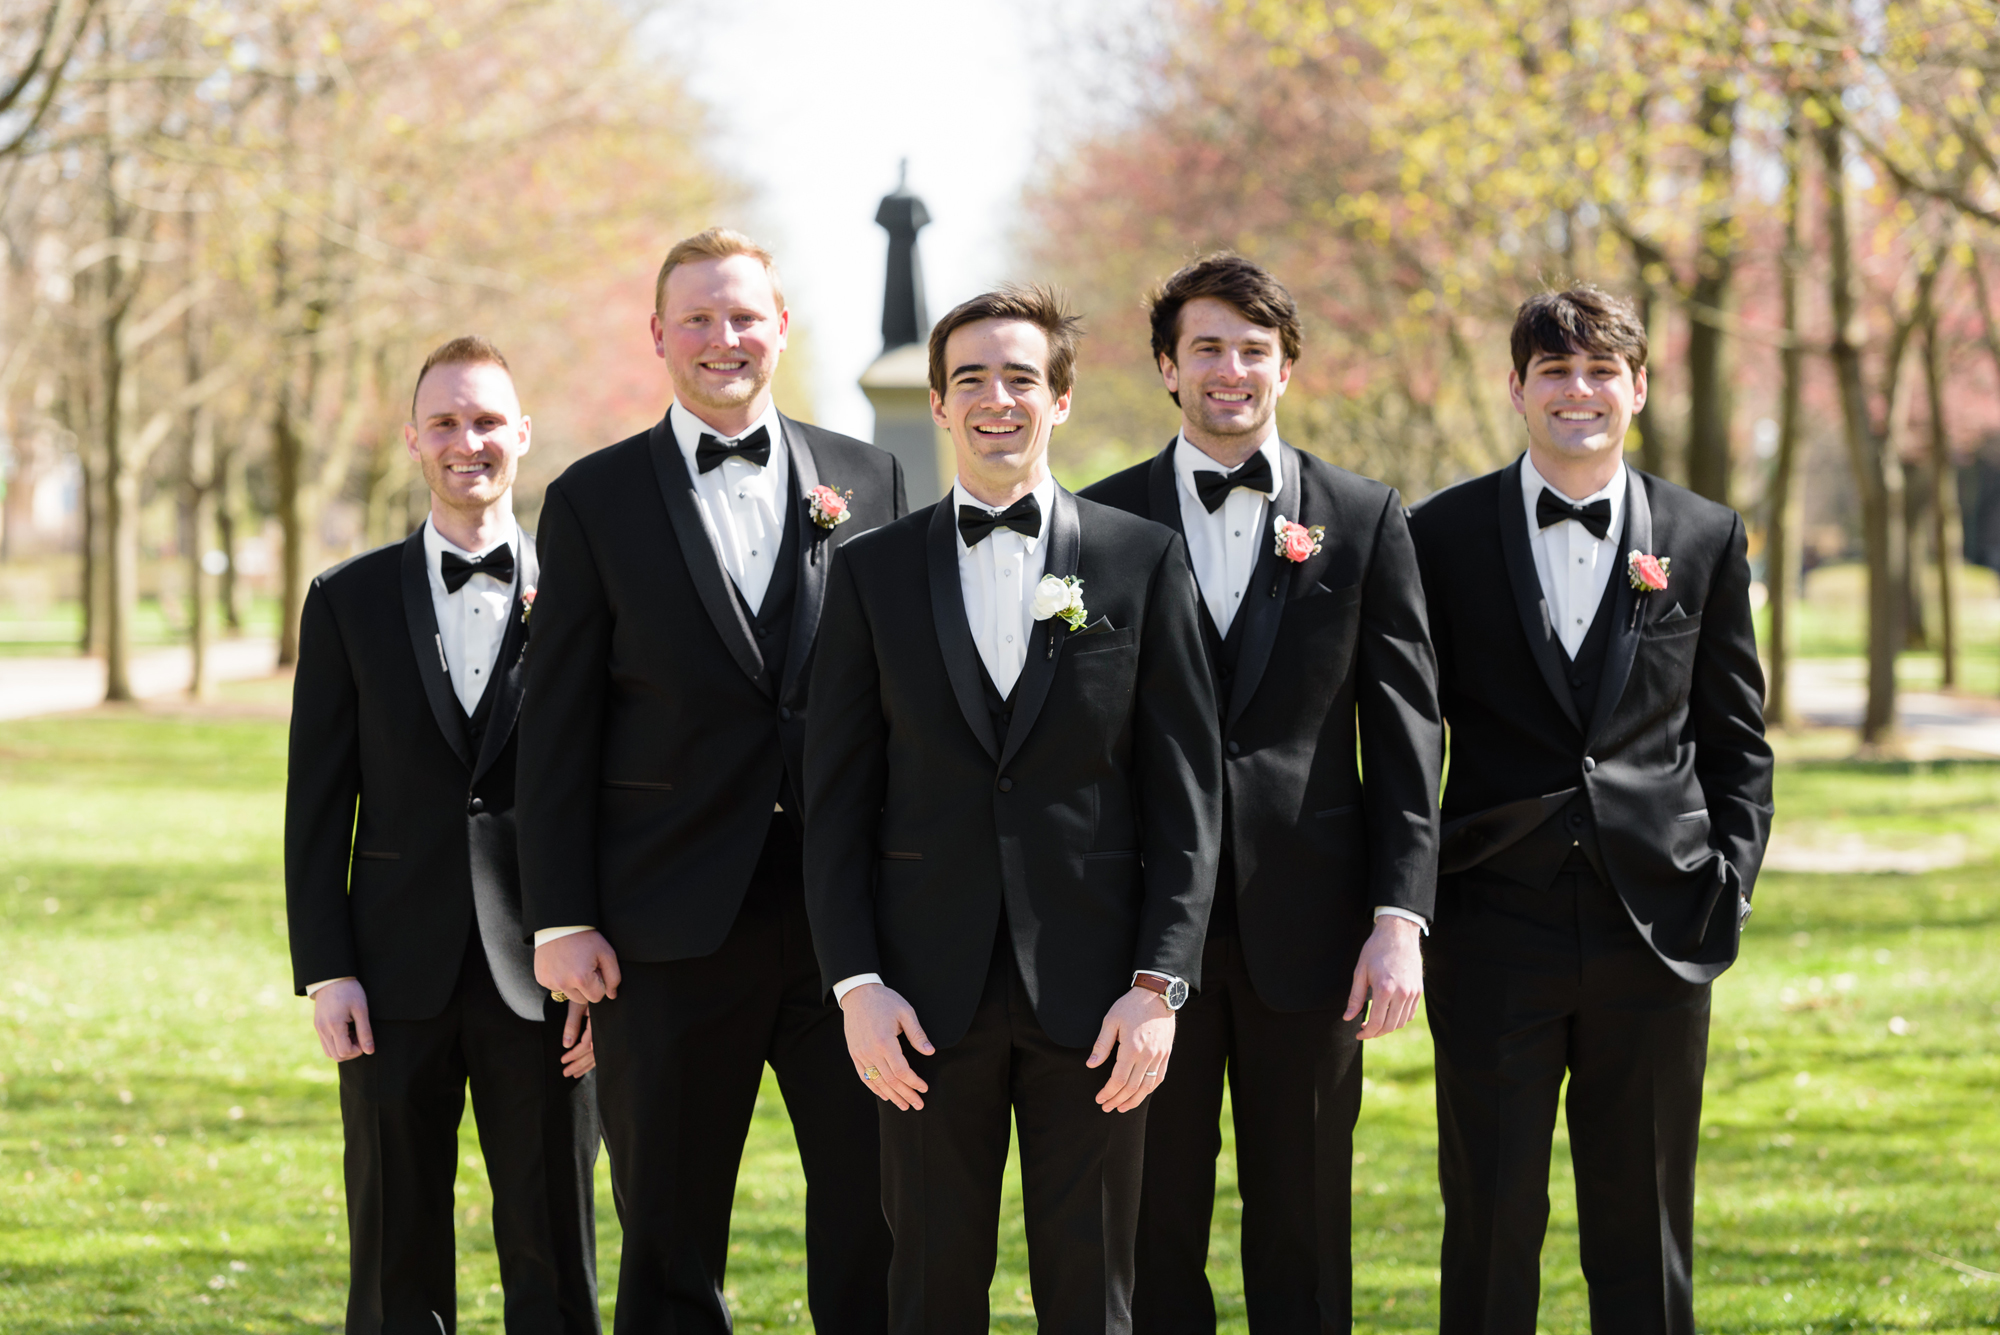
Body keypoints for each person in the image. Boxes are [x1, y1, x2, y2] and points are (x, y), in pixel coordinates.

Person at [803, 286, 1223, 1335]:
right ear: (940, 407)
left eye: (1021, 378)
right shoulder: (868, 574)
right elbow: (835, 800)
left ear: (1062, 399)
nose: (997, 399)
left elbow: (1185, 797)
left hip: (1097, 1003)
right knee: (931, 1292)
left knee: (1093, 1297)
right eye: (971, 380)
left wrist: (1157, 985)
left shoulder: (1140, 559)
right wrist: (856, 985)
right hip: (917, 1004)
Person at [519, 228, 903, 1334]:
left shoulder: (866, 476)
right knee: (669, 1236)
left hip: (851, 929)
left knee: (870, 1220)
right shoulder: (593, 498)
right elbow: (557, 727)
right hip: (665, 924)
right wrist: (561, 918)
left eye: (744, 316)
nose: (722, 338)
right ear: (657, 336)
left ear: (781, 328)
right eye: (697, 318)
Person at [1079, 253, 1441, 1332]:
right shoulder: (1099, 521)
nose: (1229, 370)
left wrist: (1397, 918)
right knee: (1150, 1225)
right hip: (1143, 941)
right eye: (1205, 349)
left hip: (1315, 928)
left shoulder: (1364, 516)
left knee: (1306, 1222)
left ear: (1285, 368)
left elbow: (1408, 729)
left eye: (1252, 350)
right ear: (1164, 366)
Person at [1406, 285, 1773, 1334]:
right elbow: (1404, 735)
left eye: (1600, 370)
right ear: (1514, 389)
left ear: (1638, 388)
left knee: (1645, 1221)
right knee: (1486, 1219)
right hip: (1489, 930)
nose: (1578, 391)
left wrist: (1728, 887)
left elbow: (1735, 739)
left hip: (1656, 930)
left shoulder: (1702, 537)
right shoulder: (1437, 534)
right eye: (1553, 371)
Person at [285, 336, 601, 1335]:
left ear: (522, 436)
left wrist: (600, 958)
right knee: (394, 1252)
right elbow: (315, 806)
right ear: (413, 440)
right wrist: (326, 970)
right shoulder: (348, 601)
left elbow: (618, 797)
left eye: (486, 422)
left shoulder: (594, 603)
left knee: (554, 1250)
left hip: (547, 975)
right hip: (389, 976)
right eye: (446, 423)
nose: (468, 442)